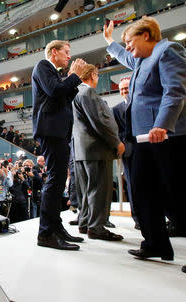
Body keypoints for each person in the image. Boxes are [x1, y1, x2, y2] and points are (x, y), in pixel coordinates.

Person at [104, 17, 186, 274]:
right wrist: (110, 42)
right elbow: (126, 57)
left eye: (130, 42)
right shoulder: (142, 59)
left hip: (173, 134)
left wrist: (163, 124)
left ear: (147, 35)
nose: (129, 48)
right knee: (143, 191)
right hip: (147, 137)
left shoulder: (169, 51)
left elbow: (175, 91)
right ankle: (155, 242)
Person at [32, 39, 85, 250]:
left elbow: (63, 94)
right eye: (66, 52)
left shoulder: (55, 72)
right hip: (50, 130)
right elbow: (55, 91)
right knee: (55, 180)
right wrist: (74, 76)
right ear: (54, 52)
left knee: (59, 178)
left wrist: (74, 79)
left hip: (58, 131)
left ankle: (56, 227)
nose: (69, 56)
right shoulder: (43, 66)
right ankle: (46, 233)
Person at [72, 64, 124, 241]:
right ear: (93, 75)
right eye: (97, 75)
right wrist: (116, 141)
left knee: (88, 190)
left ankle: (86, 222)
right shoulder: (88, 93)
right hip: (96, 148)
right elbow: (100, 122)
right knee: (100, 189)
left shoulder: (74, 93)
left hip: (81, 150)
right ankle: (97, 227)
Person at [112, 78, 140, 229]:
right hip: (129, 152)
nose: (124, 91)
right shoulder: (116, 109)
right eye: (121, 89)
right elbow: (115, 131)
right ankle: (138, 219)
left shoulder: (142, 103)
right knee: (133, 185)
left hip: (147, 148)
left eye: (126, 88)